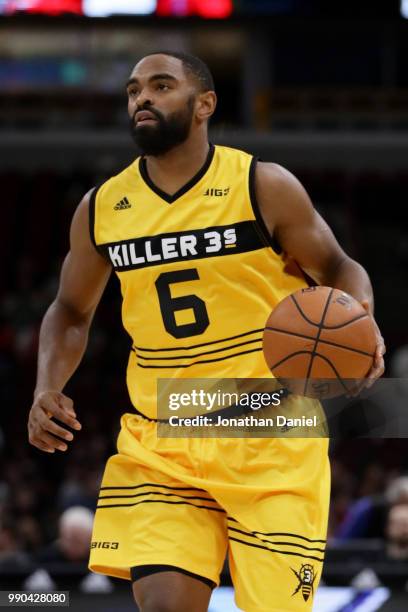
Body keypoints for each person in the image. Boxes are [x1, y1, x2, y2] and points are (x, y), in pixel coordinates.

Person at [28, 51, 385, 611]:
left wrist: (360, 318)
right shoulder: (102, 208)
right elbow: (70, 311)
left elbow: (340, 267)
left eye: (161, 85)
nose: (142, 98)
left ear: (204, 105)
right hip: (164, 438)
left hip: (272, 435)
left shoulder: (261, 185)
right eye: (132, 90)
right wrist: (46, 385)